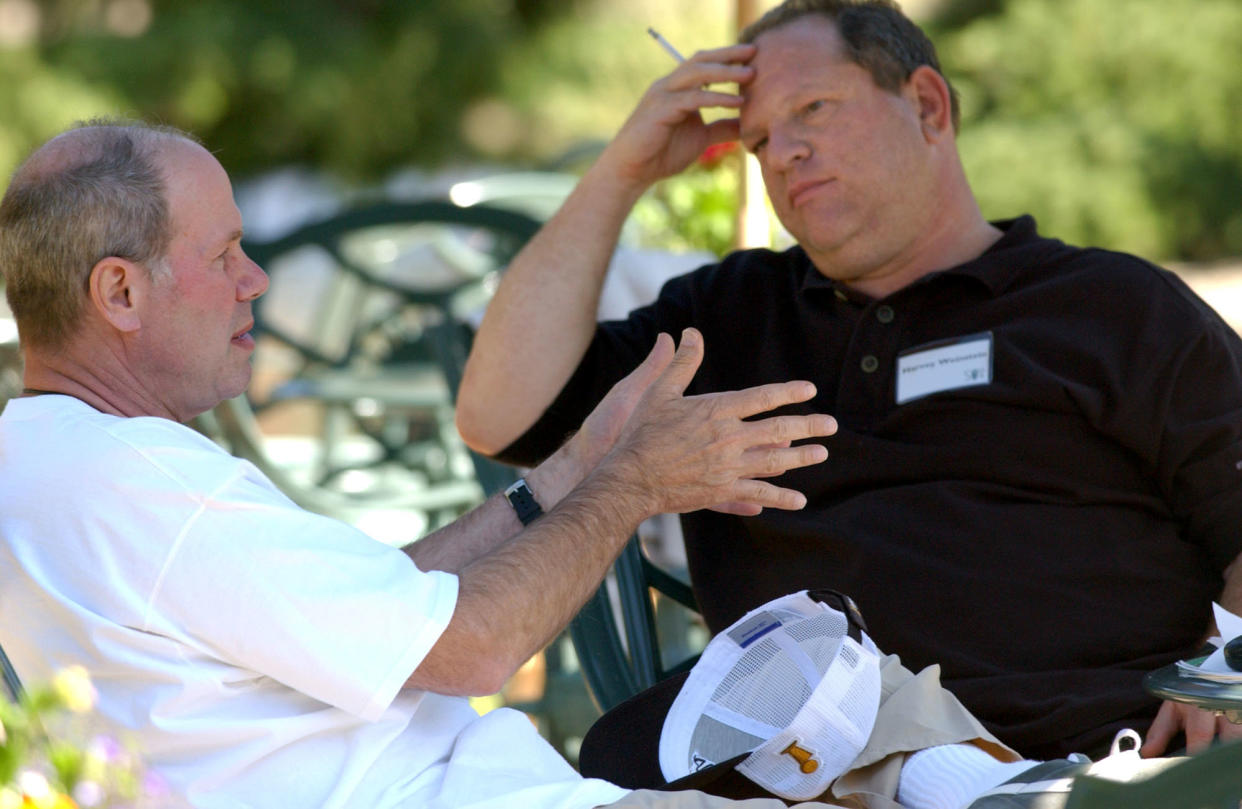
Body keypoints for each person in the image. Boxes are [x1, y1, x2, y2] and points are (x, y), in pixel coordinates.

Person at [0, 120, 1110, 809]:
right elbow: (471, 643)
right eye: (224, 254)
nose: (254, 280)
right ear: (119, 294)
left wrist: (576, 465)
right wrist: (639, 483)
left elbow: (393, 608)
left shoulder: (53, 455)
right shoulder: (146, 484)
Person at [454, 0, 1242, 762]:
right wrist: (621, 170)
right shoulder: (729, 315)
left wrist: (1226, 675)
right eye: (759, 139)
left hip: (1096, 751)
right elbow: (500, 415)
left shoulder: (1111, 307)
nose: (783, 152)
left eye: (814, 109)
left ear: (928, 106)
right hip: (808, 769)